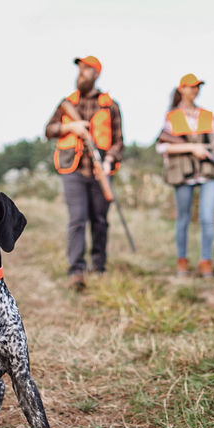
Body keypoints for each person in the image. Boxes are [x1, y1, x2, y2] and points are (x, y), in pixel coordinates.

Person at [44, 55, 124, 290]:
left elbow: (119, 141)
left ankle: (98, 266)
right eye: (79, 69)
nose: (81, 73)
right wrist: (71, 126)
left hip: (101, 172)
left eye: (87, 70)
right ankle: (76, 271)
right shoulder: (67, 103)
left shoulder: (110, 105)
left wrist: (109, 160)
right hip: (73, 169)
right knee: (77, 219)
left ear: (97, 74)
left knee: (100, 220)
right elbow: (49, 130)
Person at [155, 73, 214, 278]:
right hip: (183, 174)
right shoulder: (172, 116)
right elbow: (162, 146)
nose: (194, 90)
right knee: (183, 219)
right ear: (181, 90)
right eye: (190, 86)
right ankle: (182, 262)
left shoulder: (208, 116)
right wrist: (192, 148)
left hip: (208, 174)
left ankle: (206, 262)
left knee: (206, 218)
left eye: (197, 87)